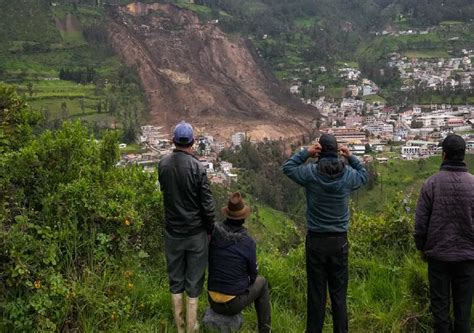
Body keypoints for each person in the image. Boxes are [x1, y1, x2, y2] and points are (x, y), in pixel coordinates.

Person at [282, 134, 368, 333]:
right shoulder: (347, 175)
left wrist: (306, 153)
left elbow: (287, 168)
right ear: (337, 151)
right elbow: (363, 174)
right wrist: (351, 157)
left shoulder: (311, 173)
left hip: (316, 241)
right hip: (339, 242)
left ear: (319, 150)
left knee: (316, 295)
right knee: (339, 295)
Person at [158, 121, 215, 333]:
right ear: (192, 142)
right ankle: (192, 327)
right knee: (194, 278)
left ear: (173, 141)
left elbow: (166, 194)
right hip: (195, 233)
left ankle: (180, 326)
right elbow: (207, 207)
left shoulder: (163, 165)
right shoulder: (198, 168)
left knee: (175, 277)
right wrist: (210, 230)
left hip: (173, 232)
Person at [415, 134, 474, 333]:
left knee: (440, 311)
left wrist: (421, 247)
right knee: (463, 311)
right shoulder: (473, 184)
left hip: (438, 256)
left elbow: (421, 222)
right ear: (463, 155)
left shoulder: (431, 183)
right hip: (467, 257)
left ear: (444, 155)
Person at [207, 192, 271, 333]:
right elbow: (253, 275)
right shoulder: (247, 242)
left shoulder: (214, 234)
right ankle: (265, 330)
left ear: (227, 215)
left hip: (212, 299)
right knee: (262, 283)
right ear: (243, 219)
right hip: (232, 304)